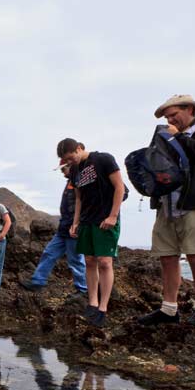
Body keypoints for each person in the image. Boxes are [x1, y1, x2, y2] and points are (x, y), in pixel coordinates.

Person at [138, 95, 195, 326]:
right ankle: (168, 309)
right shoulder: (165, 134)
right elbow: (155, 162)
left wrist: (177, 137)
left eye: (173, 114)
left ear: (190, 109)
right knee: (167, 257)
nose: (170, 120)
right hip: (167, 203)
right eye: (167, 117)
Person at [58, 138, 125, 327]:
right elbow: (78, 198)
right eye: (66, 161)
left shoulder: (104, 159)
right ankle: (93, 303)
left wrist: (113, 216)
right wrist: (75, 222)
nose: (69, 162)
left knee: (105, 262)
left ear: (79, 148)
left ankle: (103, 307)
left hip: (105, 219)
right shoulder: (75, 171)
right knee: (89, 261)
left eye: (70, 158)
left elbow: (119, 187)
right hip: (86, 220)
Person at [21, 162, 87, 295]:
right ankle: (38, 282)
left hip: (73, 229)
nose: (62, 172)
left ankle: (83, 289)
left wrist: (77, 225)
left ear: (72, 166)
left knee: (75, 260)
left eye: (64, 169)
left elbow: (83, 205)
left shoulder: (80, 181)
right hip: (63, 228)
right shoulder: (70, 181)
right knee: (49, 253)